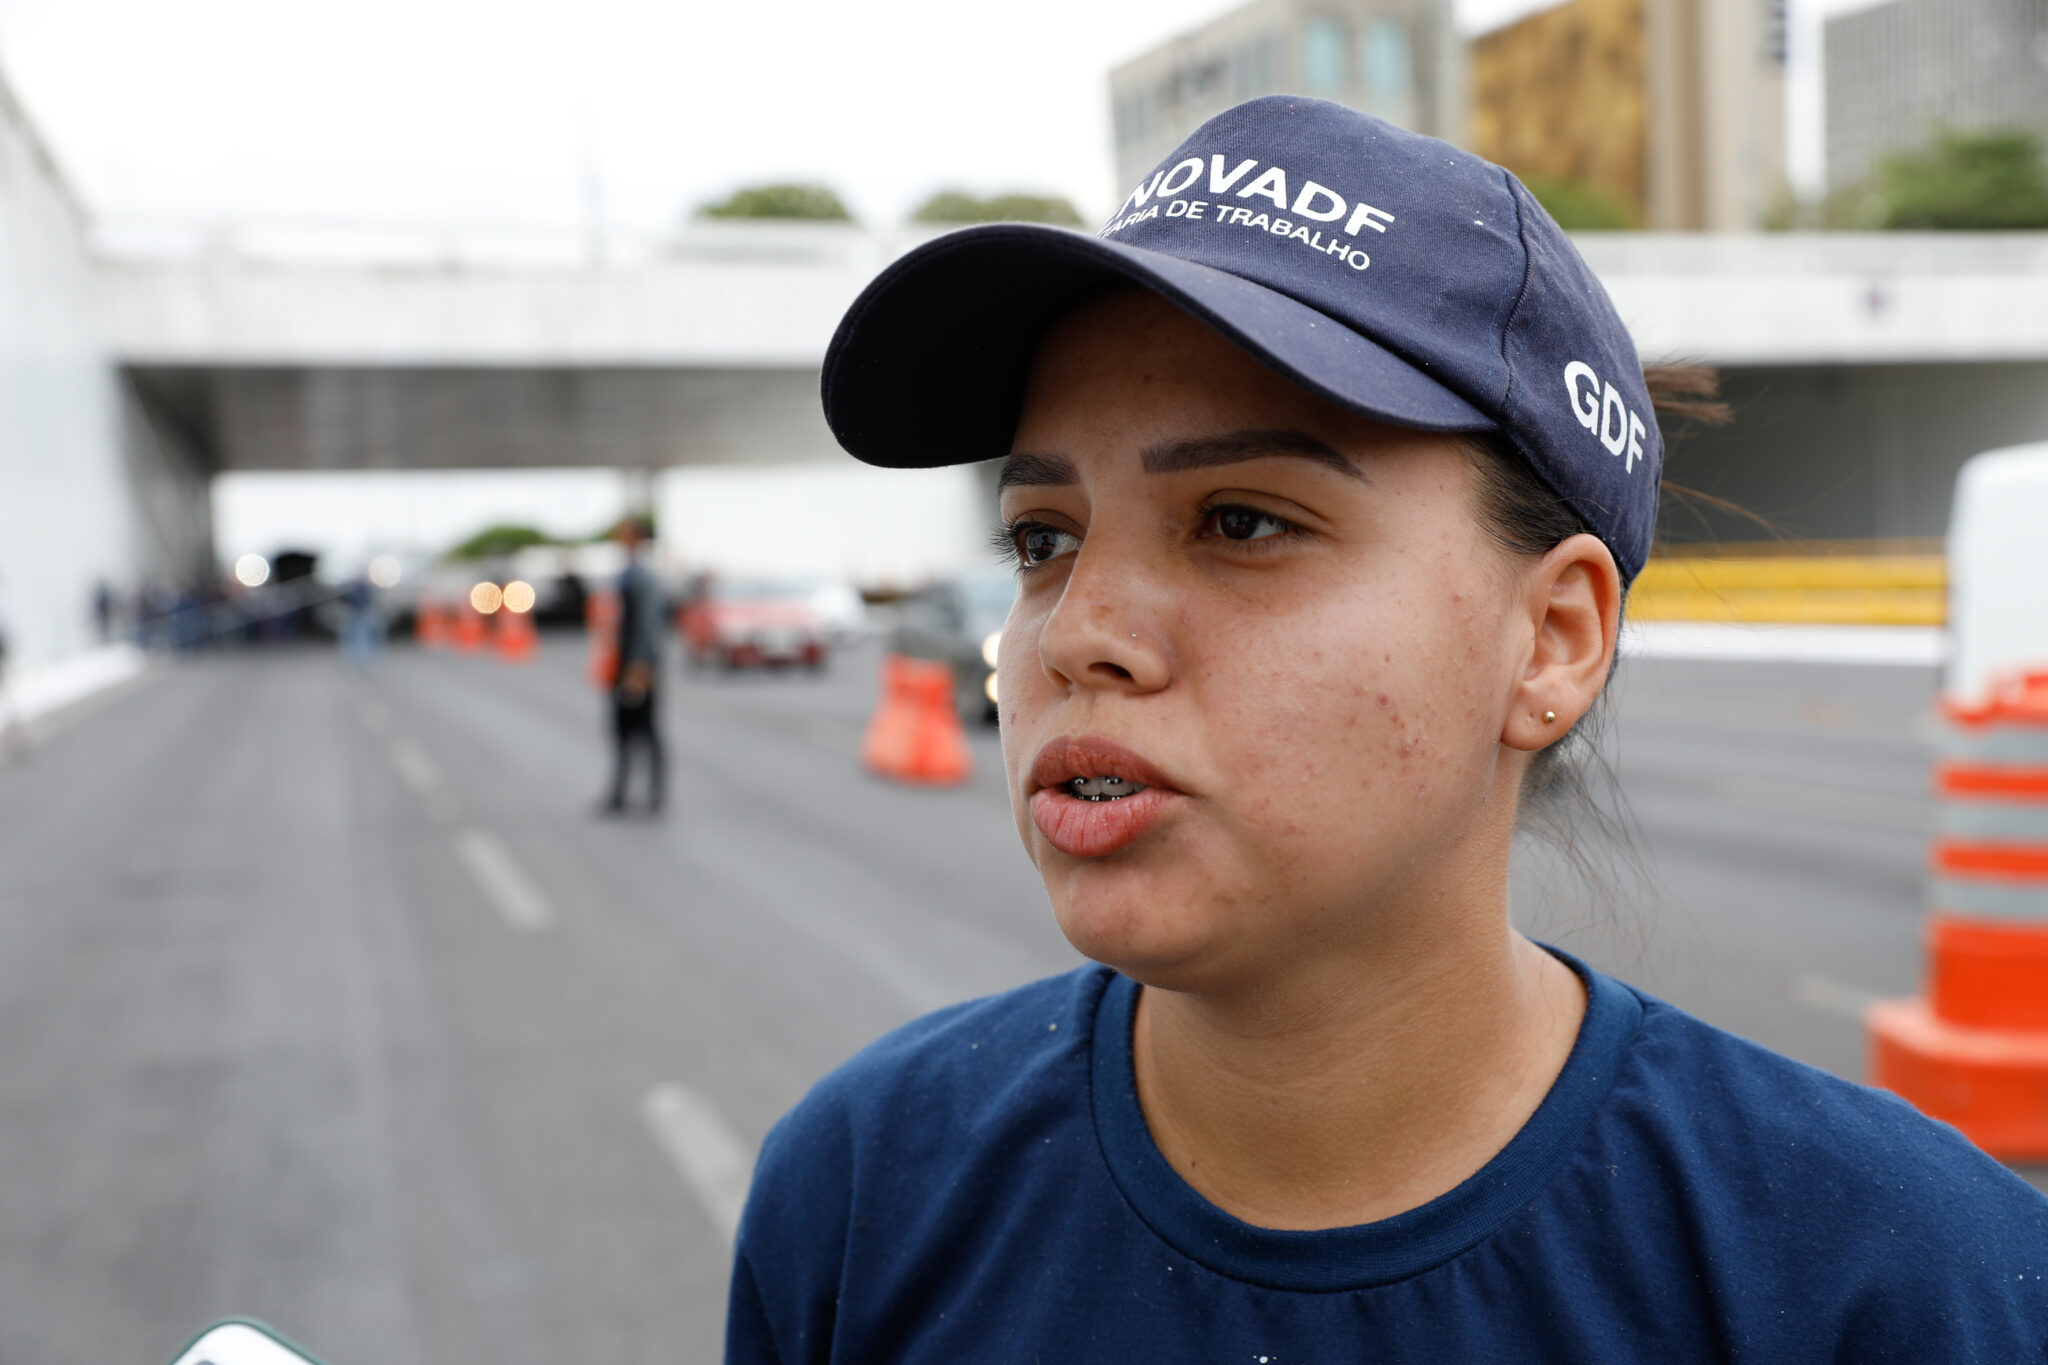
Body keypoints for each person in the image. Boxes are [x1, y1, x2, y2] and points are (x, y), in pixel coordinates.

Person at [726, 98, 2048, 1361]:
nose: (1078, 630)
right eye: (1042, 537)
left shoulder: (1909, 1285)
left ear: (1553, 640)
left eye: (1243, 522)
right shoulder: (860, 1191)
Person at [603, 514, 665, 814]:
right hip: (621, 664)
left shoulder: (646, 578)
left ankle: (655, 795)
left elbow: (648, 626)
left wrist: (639, 666)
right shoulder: (624, 575)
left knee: (646, 730)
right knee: (621, 731)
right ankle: (619, 793)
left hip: (637, 668)